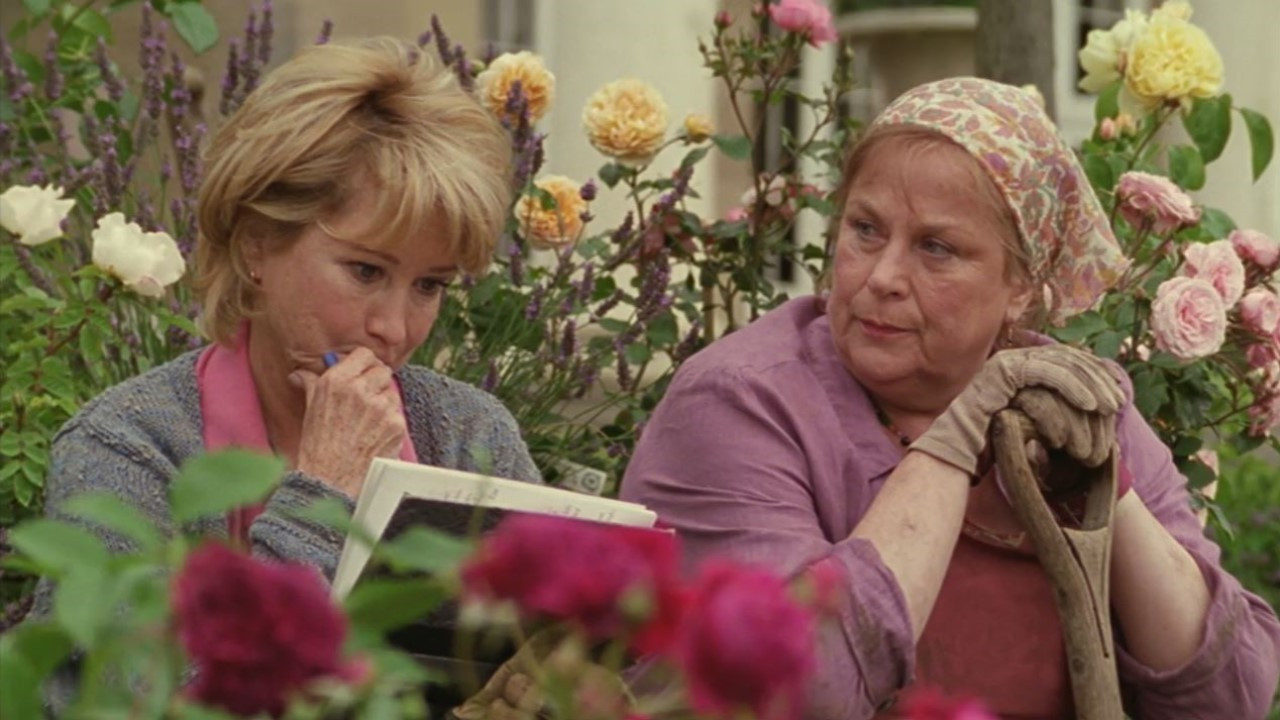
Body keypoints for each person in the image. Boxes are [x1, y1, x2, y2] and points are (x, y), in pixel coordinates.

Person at [620, 78, 1280, 719]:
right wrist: (959, 437)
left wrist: (1111, 485)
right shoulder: (741, 402)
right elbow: (794, 691)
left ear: (1020, 286)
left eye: (936, 248)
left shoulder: (1068, 398)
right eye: (865, 229)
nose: (882, 277)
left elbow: (1232, 698)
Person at [37, 37, 538, 586]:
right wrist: (324, 489)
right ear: (257, 244)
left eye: (429, 284)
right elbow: (122, 649)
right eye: (366, 271)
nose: (393, 329)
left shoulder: (470, 434)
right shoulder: (127, 444)